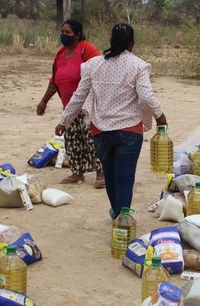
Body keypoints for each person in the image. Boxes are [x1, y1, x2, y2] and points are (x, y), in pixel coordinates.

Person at [54, 23, 167, 219]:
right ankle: (122, 218)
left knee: (111, 176)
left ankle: (117, 213)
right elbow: (146, 96)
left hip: (101, 132)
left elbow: (79, 96)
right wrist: (159, 115)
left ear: (111, 41)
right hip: (129, 131)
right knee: (124, 179)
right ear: (132, 43)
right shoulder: (138, 65)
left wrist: (64, 121)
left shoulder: (93, 65)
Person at [36, 19, 105, 188]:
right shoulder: (61, 54)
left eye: (67, 32)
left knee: (92, 139)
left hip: (88, 104)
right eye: (62, 32)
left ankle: (101, 173)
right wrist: (44, 101)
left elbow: (100, 69)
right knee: (72, 139)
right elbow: (54, 80)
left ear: (78, 34)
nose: (63, 35)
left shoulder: (87, 49)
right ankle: (77, 173)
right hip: (69, 105)